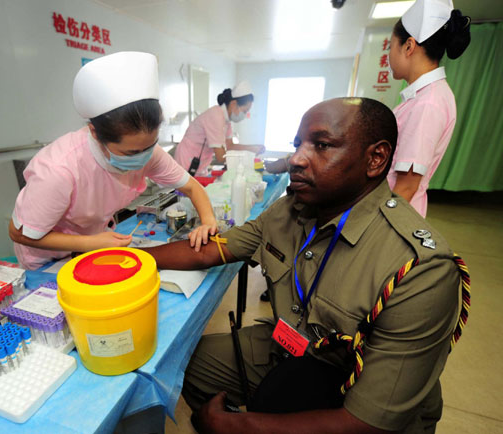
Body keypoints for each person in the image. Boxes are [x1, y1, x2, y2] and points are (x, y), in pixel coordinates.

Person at [145, 97, 468, 433]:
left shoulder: (420, 269)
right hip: (292, 349)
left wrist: (234, 427)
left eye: (322, 145)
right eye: (298, 145)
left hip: (354, 395)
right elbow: (214, 250)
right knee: (186, 361)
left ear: (375, 159)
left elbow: (366, 422)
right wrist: (132, 258)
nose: (296, 159)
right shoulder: (290, 210)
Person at [8, 52, 217, 270]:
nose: (143, 156)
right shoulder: (59, 170)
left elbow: (192, 188)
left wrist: (208, 222)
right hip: (47, 260)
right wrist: (89, 243)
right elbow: (18, 233)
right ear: (95, 134)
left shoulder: (148, 153)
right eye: (131, 152)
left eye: (150, 146)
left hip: (93, 244)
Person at [387, 0, 471, 217]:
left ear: (408, 46)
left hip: (394, 219)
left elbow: (406, 186)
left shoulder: (428, 103)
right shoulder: (426, 96)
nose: (388, 56)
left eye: (390, 46)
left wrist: (371, 231)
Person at [174, 81, 265, 176]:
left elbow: (230, 146)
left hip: (200, 164)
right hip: (188, 161)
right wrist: (246, 158)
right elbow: (221, 156)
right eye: (244, 111)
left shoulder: (226, 120)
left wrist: (252, 148)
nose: (245, 115)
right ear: (234, 104)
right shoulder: (216, 116)